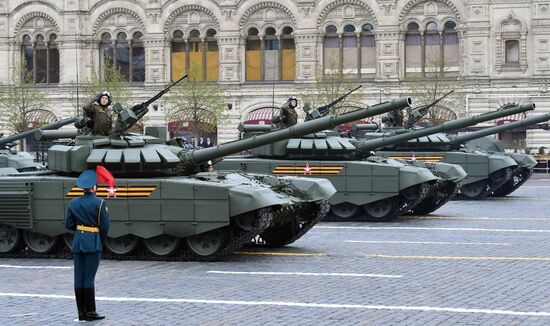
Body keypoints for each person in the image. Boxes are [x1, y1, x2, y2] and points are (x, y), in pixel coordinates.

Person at [65, 170, 110, 322]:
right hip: (93, 242)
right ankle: (90, 312)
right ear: (94, 187)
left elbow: (68, 224)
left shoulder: (74, 202)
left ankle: (81, 313)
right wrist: (99, 240)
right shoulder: (100, 203)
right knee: (89, 278)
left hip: (78, 242)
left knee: (79, 278)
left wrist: (81, 230)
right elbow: (104, 227)